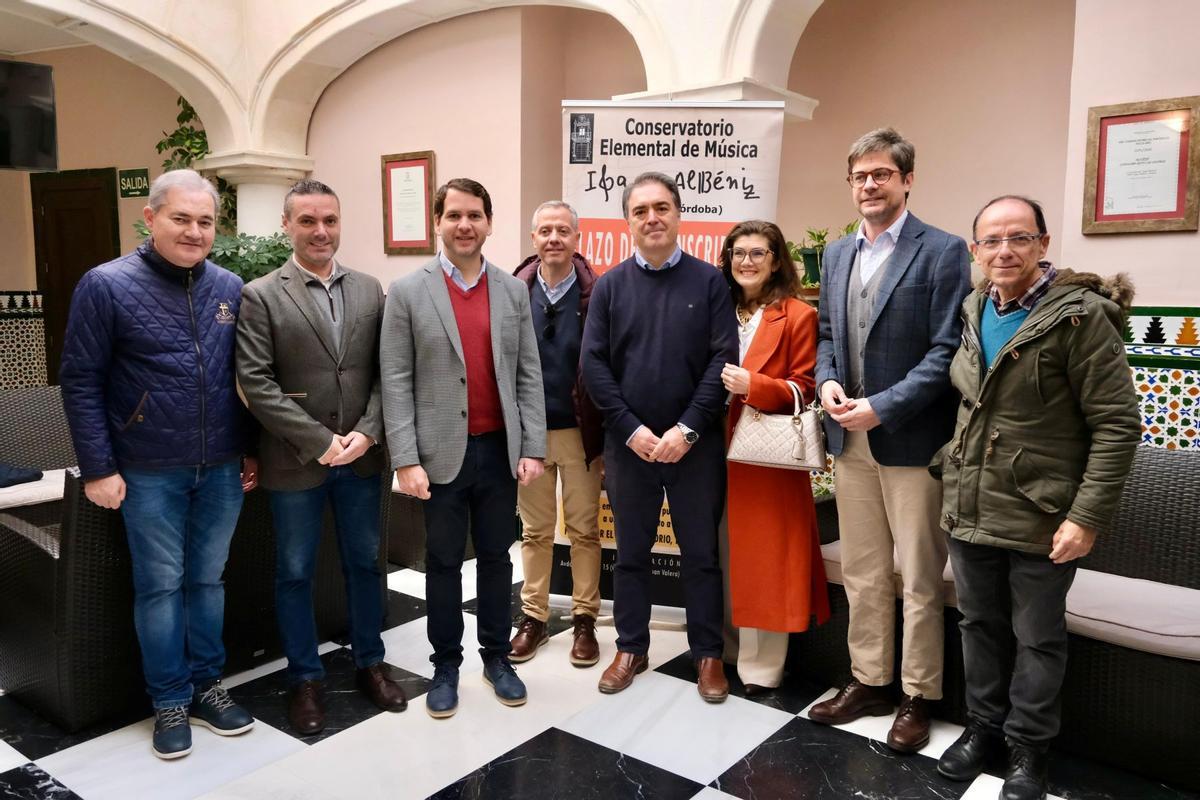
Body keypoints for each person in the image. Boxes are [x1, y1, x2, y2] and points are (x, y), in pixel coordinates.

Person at [933, 196, 1139, 800]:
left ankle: (1028, 748)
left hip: (1043, 513)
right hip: (970, 503)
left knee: (1037, 637)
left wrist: (1086, 517)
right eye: (991, 240)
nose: (1004, 250)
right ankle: (983, 729)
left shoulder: (1080, 317)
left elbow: (1117, 425)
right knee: (978, 625)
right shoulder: (975, 307)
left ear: (1043, 244)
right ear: (975, 250)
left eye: (1018, 238)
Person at [59, 169, 256, 760]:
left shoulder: (229, 286)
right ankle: (170, 699)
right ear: (150, 218)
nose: (194, 231)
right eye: (181, 219)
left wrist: (248, 447)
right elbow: (81, 380)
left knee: (209, 581)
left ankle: (207, 685)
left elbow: (242, 379)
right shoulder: (105, 285)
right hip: (147, 469)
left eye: (205, 222)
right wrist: (98, 467)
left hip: (220, 467)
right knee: (161, 586)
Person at [808, 127, 972, 753]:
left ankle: (917, 694)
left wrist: (883, 406)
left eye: (881, 174)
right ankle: (870, 680)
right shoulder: (838, 254)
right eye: (860, 176)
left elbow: (946, 350)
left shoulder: (943, 250)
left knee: (921, 577)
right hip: (850, 443)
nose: (870, 185)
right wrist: (827, 382)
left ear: (907, 180)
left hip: (911, 442)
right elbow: (828, 333)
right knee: (863, 571)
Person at [236, 179, 407, 736]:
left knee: (365, 563)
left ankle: (370, 662)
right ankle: (305, 679)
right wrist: (319, 441)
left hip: (360, 458)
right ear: (286, 225)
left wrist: (368, 432)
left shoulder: (369, 288)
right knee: (294, 572)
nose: (320, 231)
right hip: (295, 462)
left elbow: (386, 371)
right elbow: (255, 383)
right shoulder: (261, 295)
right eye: (307, 221)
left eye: (329, 220)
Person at [380, 178, 546, 719]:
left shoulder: (512, 290)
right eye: (453, 215)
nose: (464, 225)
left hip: (499, 451)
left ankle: (497, 658)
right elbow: (395, 379)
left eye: (474, 215)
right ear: (438, 223)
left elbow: (527, 374)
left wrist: (533, 446)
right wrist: (405, 458)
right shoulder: (408, 291)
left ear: (489, 223)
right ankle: (445, 666)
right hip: (439, 454)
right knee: (444, 562)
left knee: (498, 558)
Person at [581, 171, 738, 702]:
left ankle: (708, 654)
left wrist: (686, 430)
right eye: (641, 210)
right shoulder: (609, 286)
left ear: (678, 214)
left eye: (662, 207)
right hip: (631, 449)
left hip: (696, 448)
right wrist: (632, 431)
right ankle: (631, 646)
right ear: (628, 221)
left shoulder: (710, 282)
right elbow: (593, 365)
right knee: (630, 554)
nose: (652, 218)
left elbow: (722, 360)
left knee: (701, 555)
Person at [718, 220, 831, 694]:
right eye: (738, 253)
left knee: (765, 557)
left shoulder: (798, 315)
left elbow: (805, 389)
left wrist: (755, 385)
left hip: (766, 456)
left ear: (776, 259)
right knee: (721, 552)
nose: (746, 261)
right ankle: (724, 649)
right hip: (711, 449)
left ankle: (762, 666)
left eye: (757, 253)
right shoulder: (716, 309)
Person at [509, 200, 605, 667]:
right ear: (534, 239)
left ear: (576, 239)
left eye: (563, 231)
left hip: (580, 433)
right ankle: (534, 618)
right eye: (545, 230)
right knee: (535, 532)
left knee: (585, 531)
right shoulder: (515, 290)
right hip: (529, 434)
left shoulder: (597, 293)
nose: (553, 238)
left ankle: (585, 618)